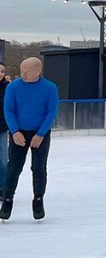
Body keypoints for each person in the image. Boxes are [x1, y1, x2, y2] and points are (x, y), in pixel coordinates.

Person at [1, 58, 59, 221]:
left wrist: (40, 134)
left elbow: (51, 112)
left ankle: (38, 199)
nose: (23, 74)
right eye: (21, 71)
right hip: (18, 132)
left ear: (38, 71)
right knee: (14, 167)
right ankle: (7, 199)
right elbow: (9, 109)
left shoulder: (49, 88)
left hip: (40, 133)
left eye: (27, 72)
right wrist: (14, 131)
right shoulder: (13, 87)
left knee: (39, 168)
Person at [0, 62, 8, 199]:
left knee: (2, 160)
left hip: (2, 129)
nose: (0, 73)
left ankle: (2, 189)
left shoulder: (8, 88)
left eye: (2, 71)